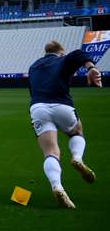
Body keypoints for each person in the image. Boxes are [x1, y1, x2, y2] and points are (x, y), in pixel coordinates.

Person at [27, 40, 101, 209]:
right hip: (62, 105)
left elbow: (32, 89)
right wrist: (91, 68)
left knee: (51, 152)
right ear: (60, 52)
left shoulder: (33, 66)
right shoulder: (62, 59)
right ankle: (77, 158)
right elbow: (78, 54)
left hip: (38, 107)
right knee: (77, 132)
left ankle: (57, 187)